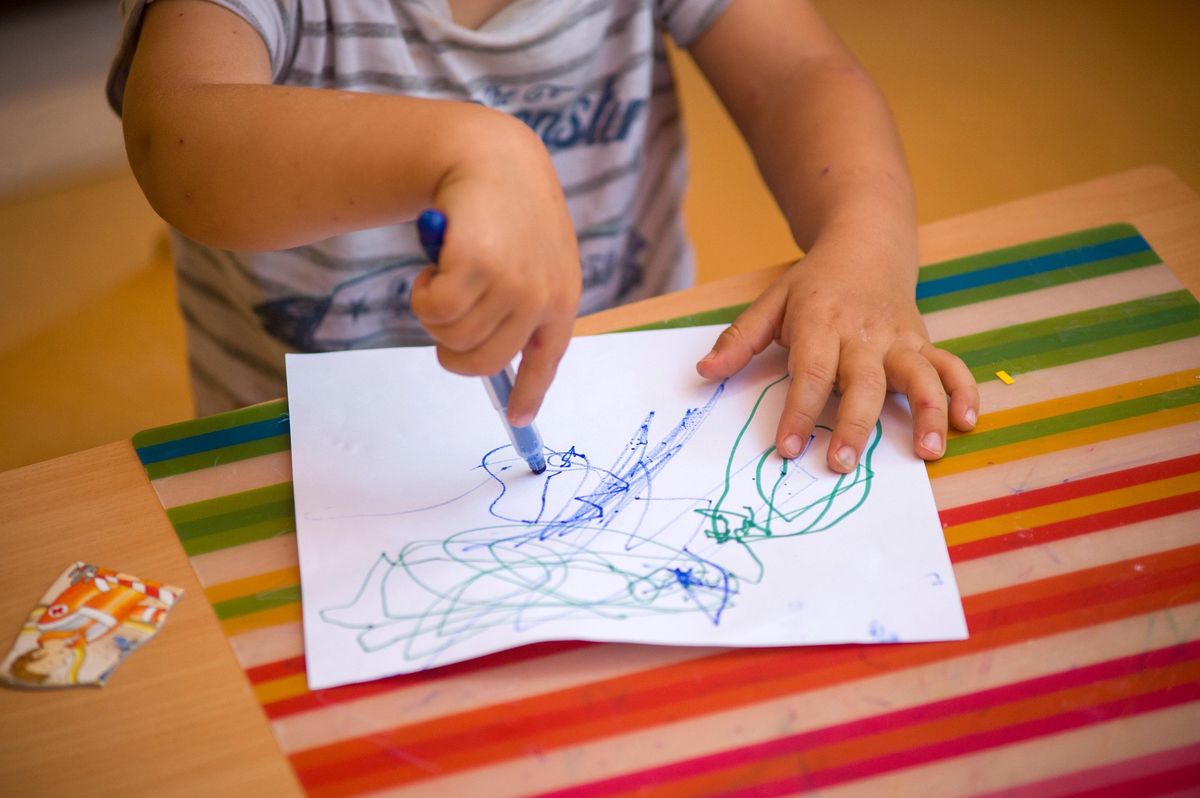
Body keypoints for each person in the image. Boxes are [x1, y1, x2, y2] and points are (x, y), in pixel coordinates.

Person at [107, 0, 978, 475]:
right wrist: (469, 145)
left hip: (617, 402)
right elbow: (173, 138)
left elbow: (801, 74)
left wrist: (865, 242)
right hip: (303, 458)